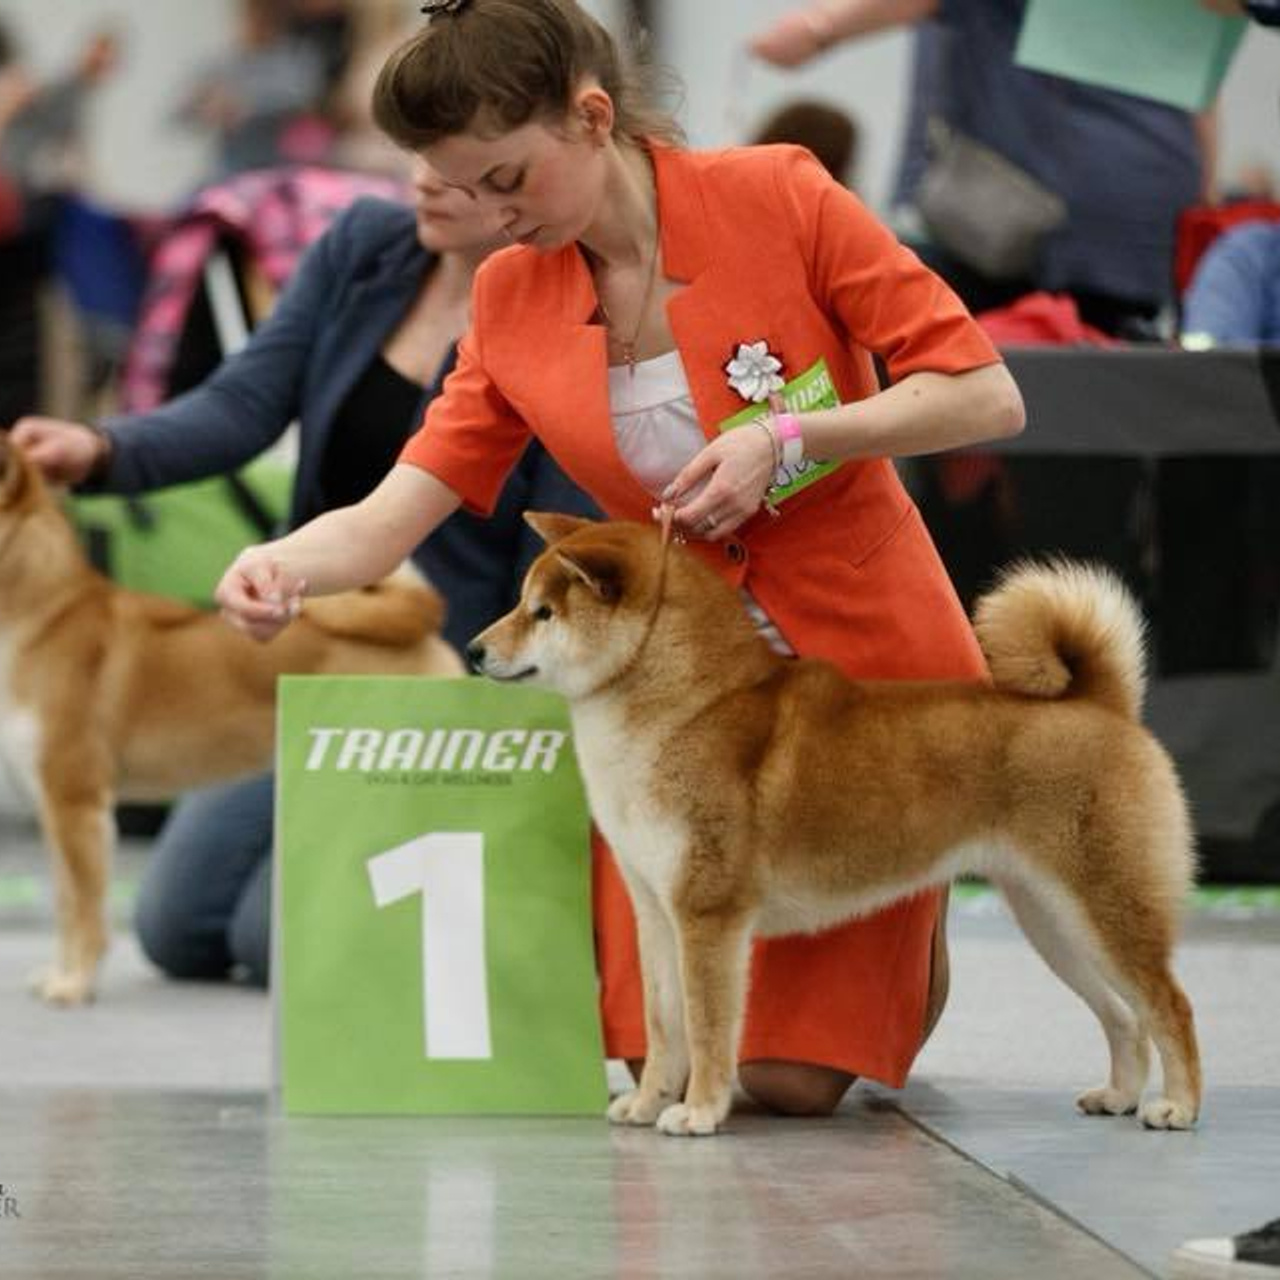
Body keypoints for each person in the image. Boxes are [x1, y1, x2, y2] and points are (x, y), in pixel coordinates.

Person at [214, 0, 1024, 1116]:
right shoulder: (506, 296)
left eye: (508, 180)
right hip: (673, 704)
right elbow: (398, 506)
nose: (493, 217)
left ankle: (904, 921)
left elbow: (984, 392)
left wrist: (794, 436)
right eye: (464, 190)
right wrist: (284, 563)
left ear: (591, 117)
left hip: (859, 682)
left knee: (785, 1085)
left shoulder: (781, 196)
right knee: (675, 1069)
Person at [11, 154, 600, 989]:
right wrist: (104, 447)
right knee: (176, 924)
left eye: (457, 165)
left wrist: (506, 698)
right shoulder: (366, 248)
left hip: (445, 666)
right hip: (310, 649)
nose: (424, 180)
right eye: (416, 154)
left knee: (269, 935)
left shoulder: (562, 307)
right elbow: (242, 401)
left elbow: (562, 540)